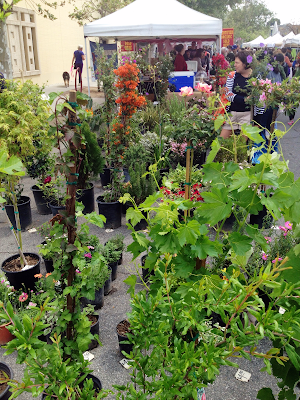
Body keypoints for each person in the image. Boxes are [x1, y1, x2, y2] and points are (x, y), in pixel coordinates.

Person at [220, 51, 253, 139]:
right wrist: (244, 99)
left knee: (241, 146)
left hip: (247, 115)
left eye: (237, 63)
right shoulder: (232, 75)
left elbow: (258, 97)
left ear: (245, 63)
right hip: (232, 114)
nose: (235, 65)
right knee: (221, 143)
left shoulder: (255, 77)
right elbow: (228, 94)